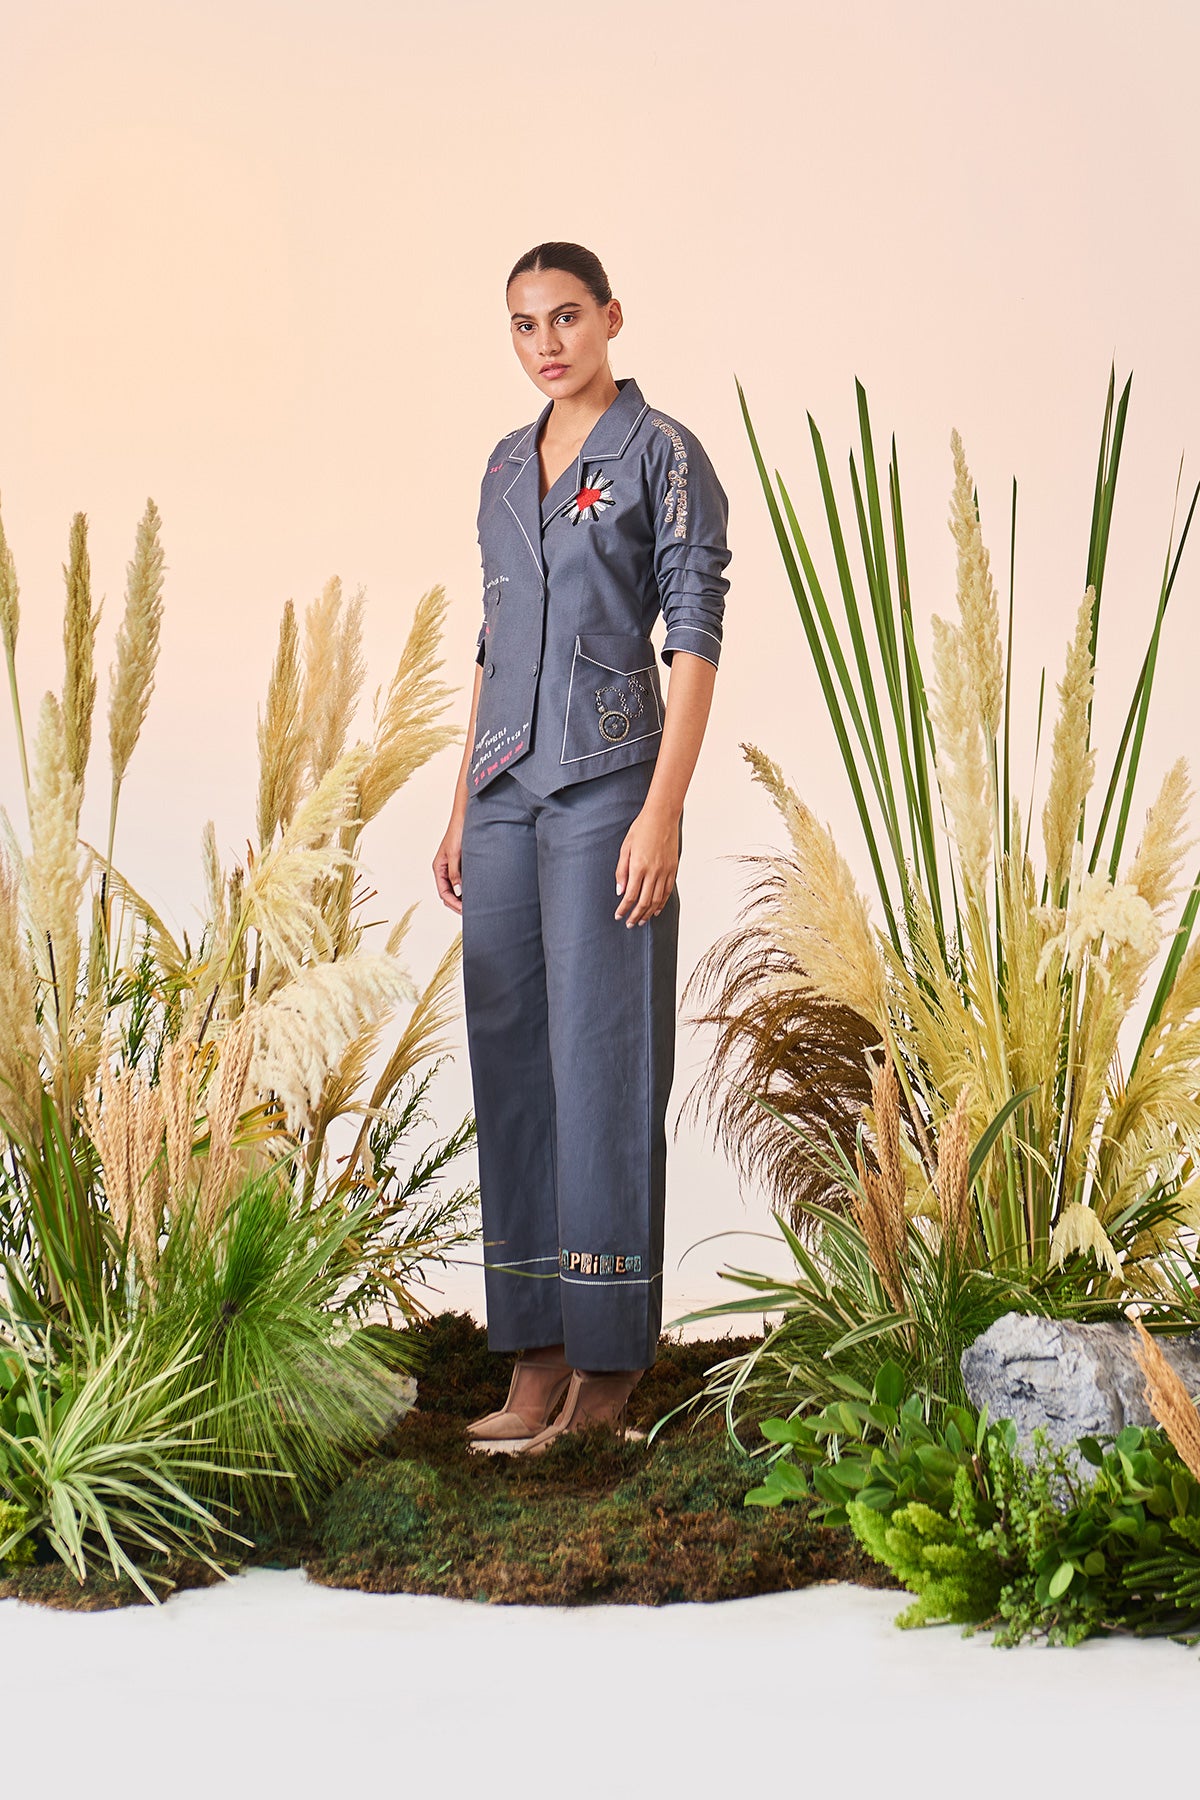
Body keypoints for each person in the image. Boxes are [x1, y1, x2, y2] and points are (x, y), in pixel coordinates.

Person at [432, 241, 731, 1453]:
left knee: (602, 1064)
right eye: (523, 324)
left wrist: (664, 809)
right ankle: (536, 1356)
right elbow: (494, 638)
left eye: (565, 317)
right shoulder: (506, 464)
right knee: (511, 1061)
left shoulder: (663, 454)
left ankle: (606, 1376)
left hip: (610, 788)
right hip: (504, 791)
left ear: (610, 316)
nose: (546, 343)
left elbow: (695, 637)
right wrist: (461, 802)